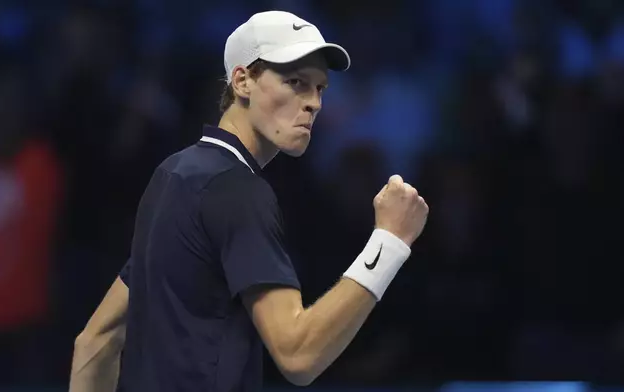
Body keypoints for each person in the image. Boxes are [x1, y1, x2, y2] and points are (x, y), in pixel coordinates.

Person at [69, 10, 429, 392]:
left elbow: (96, 341)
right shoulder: (238, 190)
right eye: (295, 82)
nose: (314, 103)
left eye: (319, 88)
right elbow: (298, 355)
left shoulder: (172, 175)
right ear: (242, 81)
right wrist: (389, 242)